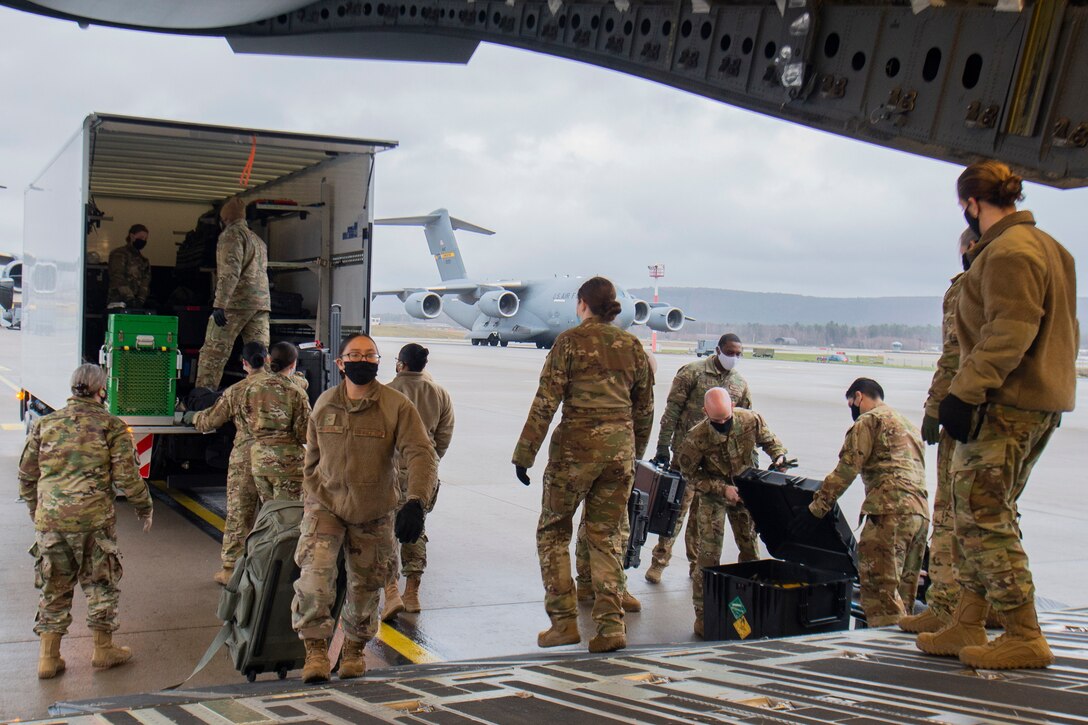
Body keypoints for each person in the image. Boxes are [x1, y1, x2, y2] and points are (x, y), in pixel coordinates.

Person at [917, 161, 1078, 670]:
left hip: (1005, 404)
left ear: (971, 203)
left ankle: (1024, 633)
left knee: (984, 517)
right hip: (1029, 402)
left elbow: (1010, 330)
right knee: (976, 514)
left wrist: (964, 393)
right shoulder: (1050, 248)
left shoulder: (1010, 251)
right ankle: (968, 619)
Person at [512, 276, 654, 654]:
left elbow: (546, 402)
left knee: (553, 531)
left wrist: (525, 454)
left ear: (582, 304)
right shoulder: (632, 345)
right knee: (606, 537)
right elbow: (644, 409)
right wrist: (634, 452)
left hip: (575, 453)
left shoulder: (569, 342)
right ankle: (610, 626)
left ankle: (563, 623)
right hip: (619, 454)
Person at [292, 333, 437, 683]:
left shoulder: (396, 406)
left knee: (367, 584)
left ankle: (354, 649)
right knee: (315, 579)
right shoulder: (325, 403)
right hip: (326, 506)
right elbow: (311, 458)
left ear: (378, 362)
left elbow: (421, 453)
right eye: (355, 355)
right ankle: (315, 651)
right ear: (341, 363)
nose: (363, 360)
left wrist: (416, 500)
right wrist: (312, 496)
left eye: (370, 355)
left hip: (373, 509)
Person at [18, 363, 154, 679]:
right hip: (94, 522)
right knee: (101, 584)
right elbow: (126, 477)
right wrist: (144, 507)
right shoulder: (111, 426)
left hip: (52, 521)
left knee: (54, 587)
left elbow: (26, 474)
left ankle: (48, 658)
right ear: (101, 390)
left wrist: (36, 510)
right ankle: (103, 649)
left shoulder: (46, 424)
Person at [789, 378, 929, 628]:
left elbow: (847, 469)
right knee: (903, 594)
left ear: (859, 396)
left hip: (890, 512)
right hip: (919, 514)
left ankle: (883, 647)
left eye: (851, 404)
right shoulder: (908, 424)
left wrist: (816, 509)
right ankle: (900, 645)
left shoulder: (869, 421)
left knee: (879, 592)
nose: (852, 410)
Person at [900, 228, 979, 635]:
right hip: (1005, 411)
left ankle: (947, 606)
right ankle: (986, 606)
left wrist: (935, 407)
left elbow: (953, 352)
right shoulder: (1020, 277)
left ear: (968, 247)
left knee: (949, 513)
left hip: (965, 411)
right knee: (992, 510)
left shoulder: (966, 285)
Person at [676, 388, 790, 637]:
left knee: (750, 552)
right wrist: (721, 489)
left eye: (726, 419)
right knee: (708, 557)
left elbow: (771, 442)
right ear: (705, 413)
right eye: (717, 421)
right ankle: (703, 616)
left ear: (732, 408)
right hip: (714, 496)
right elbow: (689, 475)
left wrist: (779, 457)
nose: (723, 425)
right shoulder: (696, 438)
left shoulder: (750, 419)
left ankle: (752, 607)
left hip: (745, 492)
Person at [645, 332, 751, 584]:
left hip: (716, 465)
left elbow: (744, 423)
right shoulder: (692, 372)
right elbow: (672, 410)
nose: (734, 357)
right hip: (687, 458)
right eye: (730, 352)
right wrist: (662, 446)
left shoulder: (739, 383)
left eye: (738, 354)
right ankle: (659, 561)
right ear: (718, 350)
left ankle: (696, 565)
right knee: (675, 511)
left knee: (701, 520)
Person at [382, 343, 455, 619]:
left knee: (386, 530)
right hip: (423, 472)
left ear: (401, 364)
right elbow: (445, 435)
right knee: (415, 528)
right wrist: (430, 462)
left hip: (392, 469)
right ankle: (412, 593)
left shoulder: (387, 392)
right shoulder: (440, 393)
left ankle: (391, 590)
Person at [187, 342, 269, 584]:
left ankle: (231, 570)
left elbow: (210, 421)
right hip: (279, 460)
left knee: (239, 514)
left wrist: (192, 417)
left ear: (244, 363)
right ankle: (274, 568)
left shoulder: (236, 391)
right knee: (277, 514)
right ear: (266, 360)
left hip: (245, 459)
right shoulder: (288, 387)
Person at [195, 197, 270, 389]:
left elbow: (229, 273)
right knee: (259, 357)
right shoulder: (258, 240)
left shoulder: (231, 235)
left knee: (213, 354)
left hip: (236, 304)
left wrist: (220, 304)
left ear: (224, 219)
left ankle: (203, 399)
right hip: (260, 305)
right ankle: (265, 396)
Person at [247, 341, 312, 503]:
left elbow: (245, 420)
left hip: (260, 462)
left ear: (269, 360)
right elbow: (305, 433)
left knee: (269, 513)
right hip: (288, 465)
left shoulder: (253, 388)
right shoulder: (296, 392)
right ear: (293, 364)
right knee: (288, 515)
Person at [107, 223, 151, 308]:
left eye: (145, 239)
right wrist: (129, 297)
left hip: (137, 302)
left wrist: (141, 299)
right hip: (118, 301)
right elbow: (117, 277)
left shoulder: (144, 260)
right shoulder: (119, 254)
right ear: (132, 236)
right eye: (141, 237)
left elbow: (145, 282)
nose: (143, 240)